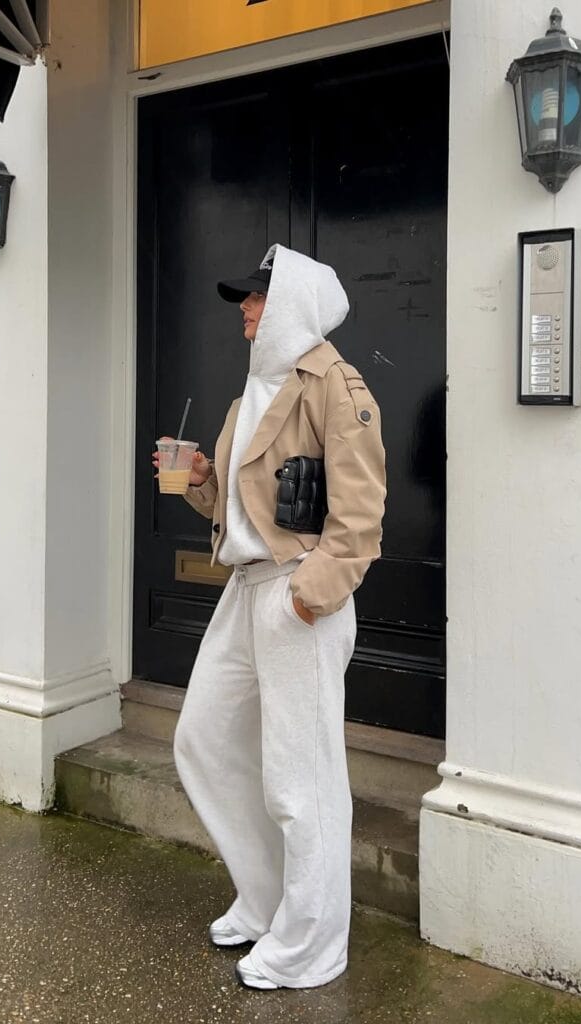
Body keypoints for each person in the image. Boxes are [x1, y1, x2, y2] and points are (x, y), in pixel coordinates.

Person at [153, 243, 386, 990]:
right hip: (245, 587)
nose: (245, 312)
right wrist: (197, 481)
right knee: (203, 741)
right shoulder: (253, 387)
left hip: (296, 593)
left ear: (292, 304)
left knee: (301, 778)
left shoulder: (333, 385)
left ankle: (312, 944)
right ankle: (267, 902)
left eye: (257, 299)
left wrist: (310, 594)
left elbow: (359, 513)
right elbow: (236, 497)